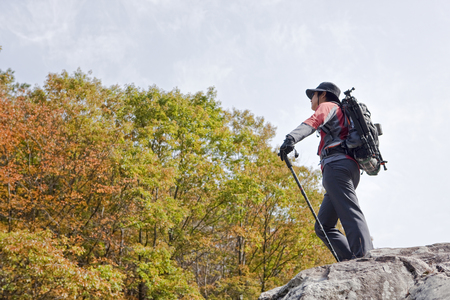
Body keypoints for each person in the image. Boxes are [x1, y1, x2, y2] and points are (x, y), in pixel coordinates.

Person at [279, 82, 373, 261]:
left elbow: (313, 122)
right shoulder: (343, 113)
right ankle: (351, 260)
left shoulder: (328, 106)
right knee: (323, 226)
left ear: (322, 95)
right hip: (347, 167)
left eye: (312, 96)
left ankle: (365, 256)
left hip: (336, 166)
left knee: (350, 211)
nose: (311, 100)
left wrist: (291, 138)